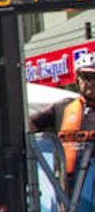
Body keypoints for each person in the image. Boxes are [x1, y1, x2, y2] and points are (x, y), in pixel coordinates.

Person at [29, 61, 95, 198]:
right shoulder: (63, 107)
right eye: (85, 77)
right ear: (78, 81)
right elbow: (28, 125)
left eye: (93, 77)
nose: (89, 82)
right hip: (67, 185)